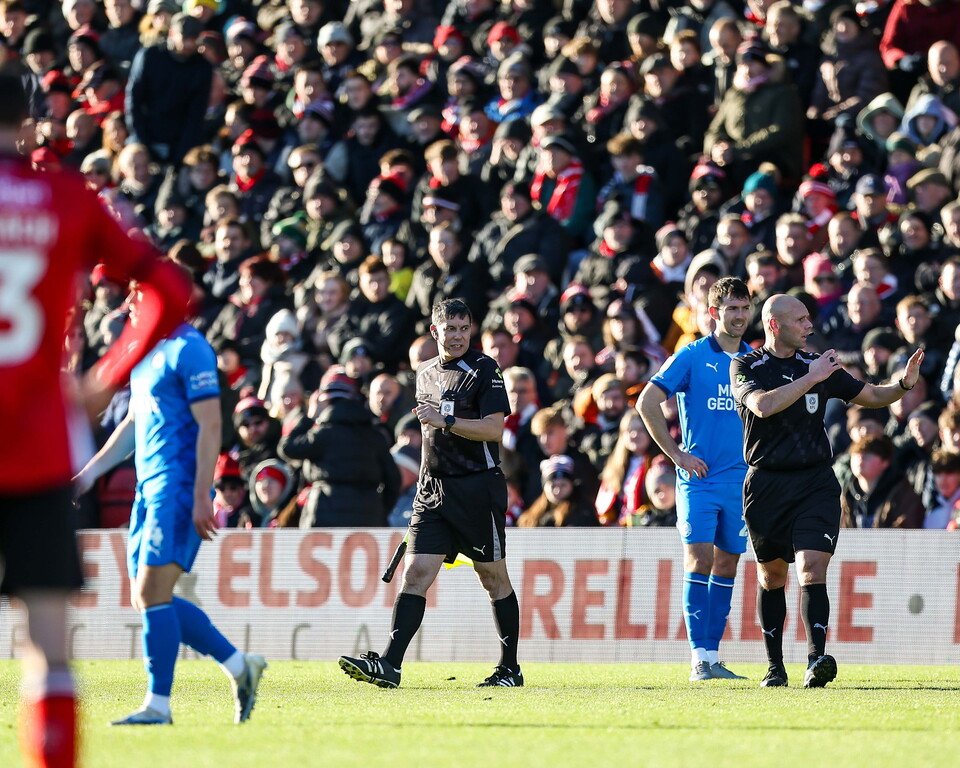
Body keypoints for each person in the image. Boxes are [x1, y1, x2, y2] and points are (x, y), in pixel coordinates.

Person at [0, 71, 191, 768]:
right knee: (47, 644)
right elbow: (169, 288)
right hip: (42, 445)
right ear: (30, 125)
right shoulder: (67, 197)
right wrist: (104, 380)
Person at [74, 271, 268, 726]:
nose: (131, 304)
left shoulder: (190, 348)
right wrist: (89, 473)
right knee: (150, 599)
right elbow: (134, 427)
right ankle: (241, 667)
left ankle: (158, 706)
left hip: (178, 487)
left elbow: (211, 426)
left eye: (139, 296)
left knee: (151, 592)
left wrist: (203, 493)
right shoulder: (148, 355)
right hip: (148, 487)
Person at [731, 293, 924, 688]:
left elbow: (869, 395)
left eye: (808, 319)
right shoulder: (746, 365)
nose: (809, 326)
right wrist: (812, 378)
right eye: (800, 320)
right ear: (774, 325)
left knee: (811, 568)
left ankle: (817, 660)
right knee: (772, 576)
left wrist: (902, 384)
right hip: (766, 483)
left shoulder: (815, 364)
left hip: (815, 482)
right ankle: (774, 667)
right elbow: (763, 407)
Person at [338, 298, 521, 688]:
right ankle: (391, 665)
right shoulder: (424, 374)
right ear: (434, 332)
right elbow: (427, 437)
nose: (457, 336)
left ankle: (510, 669)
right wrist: (424, 482)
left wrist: (448, 420)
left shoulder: (485, 369)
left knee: (492, 577)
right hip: (433, 490)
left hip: (477, 487)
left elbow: (493, 429)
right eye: (449, 329)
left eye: (463, 328)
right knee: (416, 573)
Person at [638, 277, 753, 682]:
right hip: (699, 479)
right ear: (713, 313)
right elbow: (646, 401)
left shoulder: (755, 360)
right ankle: (697, 660)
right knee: (698, 559)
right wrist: (676, 455)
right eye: (731, 309)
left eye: (744, 307)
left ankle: (713, 656)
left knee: (728, 563)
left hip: (740, 482)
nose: (738, 316)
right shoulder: (691, 356)